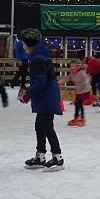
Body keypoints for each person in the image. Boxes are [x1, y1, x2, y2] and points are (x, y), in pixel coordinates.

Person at [18, 29, 64, 172]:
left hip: (46, 96)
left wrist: (27, 94)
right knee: (40, 126)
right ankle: (41, 156)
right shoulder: (39, 54)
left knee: (46, 126)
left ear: (30, 43)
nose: (23, 46)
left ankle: (57, 158)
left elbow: (40, 83)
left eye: (24, 43)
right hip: (46, 95)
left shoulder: (37, 58)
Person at [64, 60, 91, 127]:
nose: (71, 67)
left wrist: (84, 83)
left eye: (73, 66)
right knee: (77, 103)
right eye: (71, 66)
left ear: (77, 66)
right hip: (79, 90)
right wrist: (57, 83)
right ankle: (76, 118)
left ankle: (81, 118)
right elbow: (67, 79)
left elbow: (87, 79)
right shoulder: (72, 73)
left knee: (79, 103)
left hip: (84, 90)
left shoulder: (82, 72)